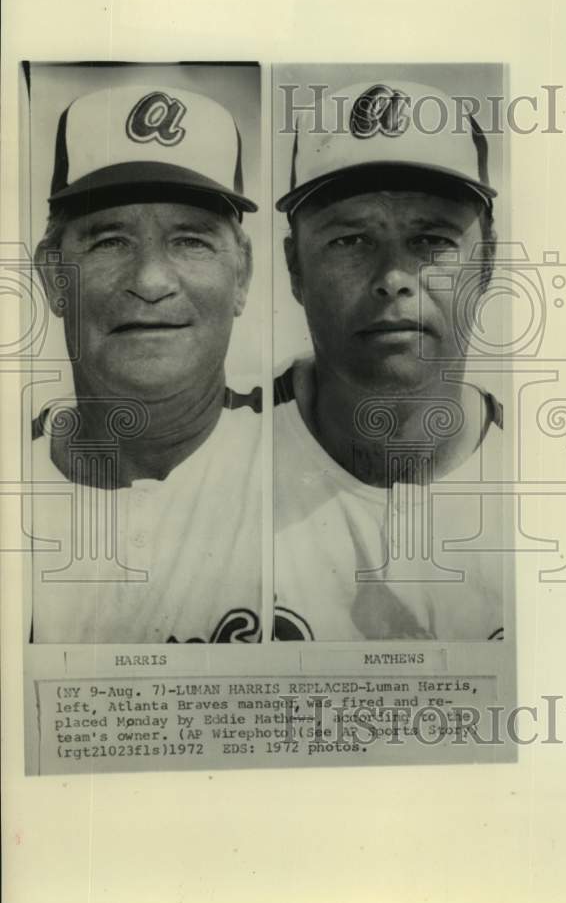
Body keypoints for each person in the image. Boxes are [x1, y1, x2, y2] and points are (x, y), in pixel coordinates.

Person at [30, 82, 264, 644]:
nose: (152, 281)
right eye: (109, 241)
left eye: (191, 241)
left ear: (242, 274)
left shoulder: (309, 463)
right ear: (53, 276)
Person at [273, 80, 507, 641]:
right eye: (351, 241)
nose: (393, 280)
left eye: (431, 240)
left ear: (488, 262)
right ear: (294, 267)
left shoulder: (558, 478)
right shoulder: (216, 460)